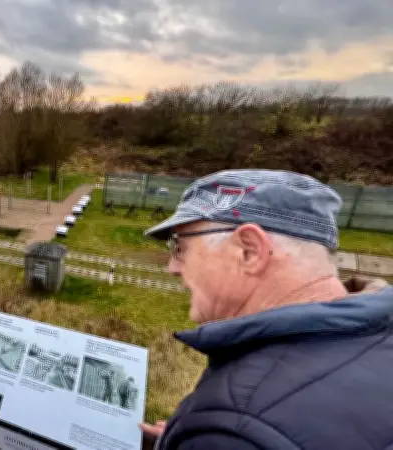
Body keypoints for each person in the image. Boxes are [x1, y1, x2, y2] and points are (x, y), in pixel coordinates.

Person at [138, 169, 393, 450]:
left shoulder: (234, 427)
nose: (172, 267)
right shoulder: (378, 336)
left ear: (249, 251)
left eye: (179, 247)